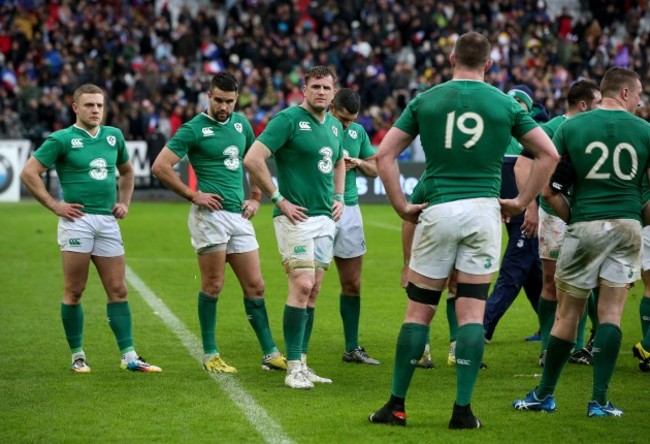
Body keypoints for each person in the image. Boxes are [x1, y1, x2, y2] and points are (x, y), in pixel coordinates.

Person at [368, 31, 558, 429]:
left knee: (418, 312)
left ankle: (397, 406)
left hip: (438, 207)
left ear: (452, 58)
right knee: (471, 313)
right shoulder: (506, 104)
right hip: (484, 211)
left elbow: (384, 154)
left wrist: (402, 206)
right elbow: (548, 153)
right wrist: (522, 202)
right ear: (489, 64)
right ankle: (462, 412)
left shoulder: (426, 99)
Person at [513, 67, 649, 417]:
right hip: (627, 226)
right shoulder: (646, 131)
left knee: (567, 314)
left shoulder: (570, 127)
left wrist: (573, 216)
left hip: (585, 222)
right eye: (637, 95)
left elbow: (548, 188)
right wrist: (635, 216)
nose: (640, 101)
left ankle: (544, 396)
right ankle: (600, 402)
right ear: (623, 93)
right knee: (612, 316)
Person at [20, 83, 161, 373]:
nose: (95, 110)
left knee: (118, 289)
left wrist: (124, 201)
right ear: (75, 108)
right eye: (89, 105)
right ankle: (77, 356)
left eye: (99, 105)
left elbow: (127, 171)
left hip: (108, 222)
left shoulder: (114, 137)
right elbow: (29, 172)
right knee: (75, 290)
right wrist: (55, 205)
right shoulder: (61, 139)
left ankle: (129, 356)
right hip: (77, 222)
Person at [151, 72, 287, 374]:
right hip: (209, 217)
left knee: (256, 285)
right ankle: (210, 354)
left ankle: (270, 353)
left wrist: (254, 196)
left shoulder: (241, 125)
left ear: (236, 98)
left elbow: (254, 161)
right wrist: (192, 194)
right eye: (218, 100)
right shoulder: (193, 129)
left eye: (229, 101)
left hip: (238, 216)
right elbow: (160, 166)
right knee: (214, 285)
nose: (223, 106)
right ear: (208, 97)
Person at [243, 66, 345, 389]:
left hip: (324, 220)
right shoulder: (287, 120)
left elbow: (340, 160)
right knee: (301, 285)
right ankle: (292, 368)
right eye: (315, 86)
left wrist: (340, 195)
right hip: (294, 218)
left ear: (333, 92)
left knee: (313, 292)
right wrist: (278, 198)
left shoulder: (334, 126)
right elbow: (253, 158)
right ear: (304, 89)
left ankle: (302, 362)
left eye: (327, 88)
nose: (321, 92)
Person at [514, 79, 602, 366]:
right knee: (551, 281)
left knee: (591, 281)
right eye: (599, 103)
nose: (603, 108)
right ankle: (550, 345)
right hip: (553, 215)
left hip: (587, 211)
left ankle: (583, 345)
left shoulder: (597, 130)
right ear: (584, 105)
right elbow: (521, 165)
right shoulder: (550, 129)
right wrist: (529, 205)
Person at [483, 85, 545, 344]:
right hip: (511, 210)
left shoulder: (533, 133)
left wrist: (530, 206)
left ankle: (483, 327)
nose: (510, 105)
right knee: (532, 275)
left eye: (516, 101)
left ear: (526, 106)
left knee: (512, 271)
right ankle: (552, 325)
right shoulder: (502, 130)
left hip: (525, 213)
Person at [329, 88, 380, 365]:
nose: (347, 124)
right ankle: (298, 353)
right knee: (308, 285)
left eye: (352, 119)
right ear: (331, 108)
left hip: (349, 209)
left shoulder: (357, 133)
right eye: (343, 118)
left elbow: (375, 168)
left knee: (352, 283)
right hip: (317, 209)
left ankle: (351, 348)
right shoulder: (318, 128)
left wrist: (358, 162)